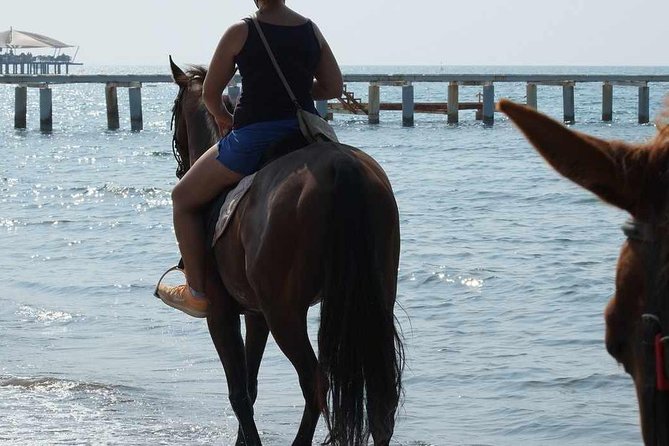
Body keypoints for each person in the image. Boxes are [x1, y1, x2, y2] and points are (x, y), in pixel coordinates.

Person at [156, 0, 343, 317]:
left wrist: (225, 118)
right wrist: (294, 89)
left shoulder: (241, 31)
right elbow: (333, 86)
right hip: (304, 134)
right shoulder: (311, 29)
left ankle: (196, 292)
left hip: (254, 137)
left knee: (182, 198)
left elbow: (210, 95)